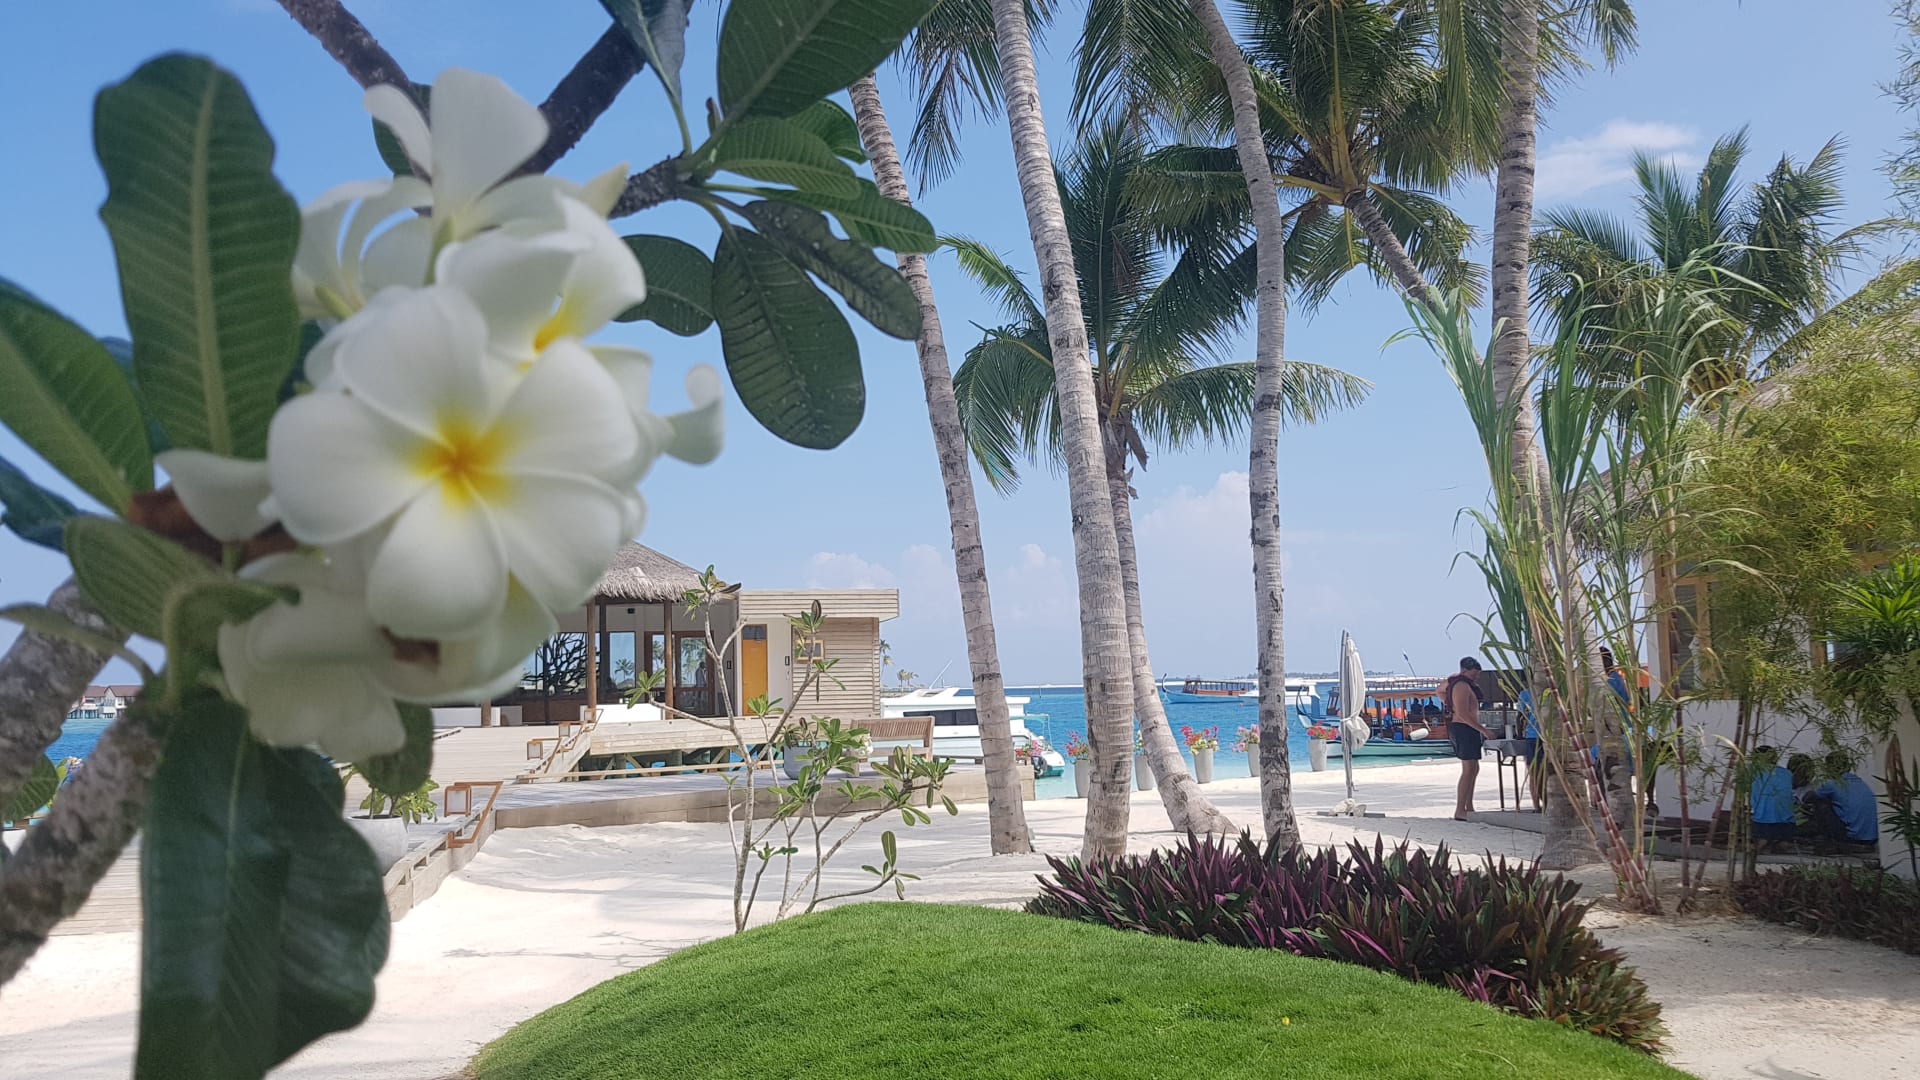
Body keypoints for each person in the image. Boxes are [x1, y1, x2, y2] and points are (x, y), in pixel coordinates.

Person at [1444, 657, 1491, 820]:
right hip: (1462, 728)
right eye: (1473, 674)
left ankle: (1469, 806)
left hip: (1469, 728)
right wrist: (1483, 730)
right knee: (1468, 769)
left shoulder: (1465, 684)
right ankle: (1460, 809)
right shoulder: (1460, 685)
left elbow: (1440, 691)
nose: (1475, 678)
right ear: (1464, 671)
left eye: (1477, 675)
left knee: (1474, 768)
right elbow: (1462, 713)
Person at [1802, 751, 1879, 846]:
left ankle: (1828, 839)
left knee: (1821, 804)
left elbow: (1807, 798)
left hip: (1852, 838)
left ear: (1829, 768)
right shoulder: (1861, 783)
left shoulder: (1832, 784)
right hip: (1872, 838)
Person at [1749, 746, 1795, 852]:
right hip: (1786, 819)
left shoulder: (1753, 772)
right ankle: (1781, 842)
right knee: (1785, 842)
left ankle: (1763, 841)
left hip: (1762, 817)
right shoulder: (1787, 773)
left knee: (1760, 838)